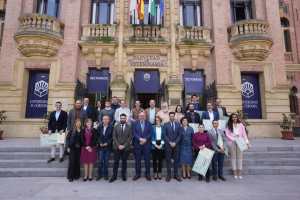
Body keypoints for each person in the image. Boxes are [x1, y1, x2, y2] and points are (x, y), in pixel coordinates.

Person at [225, 113, 251, 179]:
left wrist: (247, 143)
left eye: (235, 117)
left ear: (237, 118)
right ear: (231, 118)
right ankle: (234, 171)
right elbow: (227, 134)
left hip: (240, 141)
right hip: (232, 141)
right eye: (233, 117)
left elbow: (244, 134)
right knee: (233, 156)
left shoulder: (241, 124)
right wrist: (233, 139)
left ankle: (240, 171)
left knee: (240, 157)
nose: (234, 118)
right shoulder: (229, 125)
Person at [109, 113, 133, 183]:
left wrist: (124, 145)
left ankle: (123, 175)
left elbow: (130, 137)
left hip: (126, 147)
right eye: (121, 118)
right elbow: (114, 137)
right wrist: (118, 145)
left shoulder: (129, 127)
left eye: (124, 118)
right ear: (120, 119)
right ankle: (114, 176)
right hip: (117, 147)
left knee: (124, 162)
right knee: (116, 162)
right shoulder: (116, 126)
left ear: (126, 119)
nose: (122, 119)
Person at [132, 112, 153, 181]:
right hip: (138, 144)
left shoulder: (149, 123)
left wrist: (145, 139)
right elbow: (134, 132)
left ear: (145, 117)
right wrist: (140, 139)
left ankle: (147, 174)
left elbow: (150, 133)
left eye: (143, 116)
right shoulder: (135, 123)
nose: (142, 117)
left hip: (146, 145)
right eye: (141, 116)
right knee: (137, 160)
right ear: (138, 116)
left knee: (147, 160)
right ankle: (138, 173)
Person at [163, 112, 182, 182]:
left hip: (176, 145)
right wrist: (170, 142)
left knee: (176, 160)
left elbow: (180, 135)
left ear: (175, 117)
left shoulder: (178, 124)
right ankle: (169, 175)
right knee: (168, 159)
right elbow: (164, 134)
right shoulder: (166, 124)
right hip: (168, 145)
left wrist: (175, 142)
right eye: (171, 116)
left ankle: (176, 174)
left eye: (173, 116)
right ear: (169, 117)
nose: (172, 117)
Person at [96, 115, 114, 181]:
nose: (106, 120)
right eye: (104, 119)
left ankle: (106, 174)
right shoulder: (99, 127)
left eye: (107, 119)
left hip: (107, 147)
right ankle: (99, 174)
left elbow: (113, 137)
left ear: (109, 120)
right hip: (100, 147)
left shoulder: (111, 127)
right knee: (100, 161)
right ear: (102, 120)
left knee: (106, 161)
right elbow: (97, 136)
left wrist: (107, 143)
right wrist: (99, 142)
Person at [151, 116, 165, 180]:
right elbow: (152, 136)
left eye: (159, 120)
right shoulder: (152, 127)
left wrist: (161, 145)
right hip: (154, 144)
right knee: (154, 159)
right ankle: (155, 172)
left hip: (161, 143)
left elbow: (164, 136)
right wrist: (156, 145)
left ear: (160, 121)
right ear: (155, 121)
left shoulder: (163, 127)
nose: (158, 121)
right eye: (156, 120)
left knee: (160, 159)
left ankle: (159, 172)